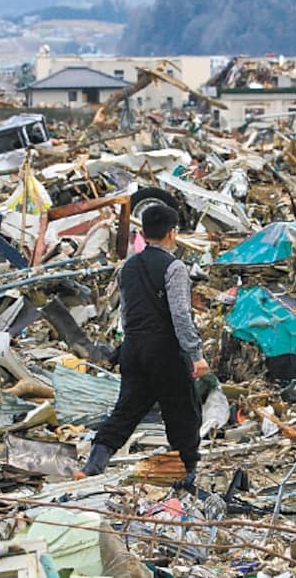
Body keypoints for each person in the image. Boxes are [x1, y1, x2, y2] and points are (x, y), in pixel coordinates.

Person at [75, 205, 209, 483]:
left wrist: (129, 346)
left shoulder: (127, 268)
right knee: (183, 410)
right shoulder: (175, 267)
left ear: (142, 232)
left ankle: (92, 465)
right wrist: (195, 354)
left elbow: (125, 313)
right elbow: (181, 315)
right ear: (172, 233)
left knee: (126, 411)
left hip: (133, 349)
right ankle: (187, 473)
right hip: (165, 351)